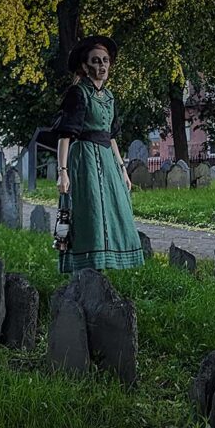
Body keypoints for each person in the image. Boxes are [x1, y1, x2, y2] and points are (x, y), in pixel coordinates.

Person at [54, 35, 144, 273]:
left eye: (105, 60)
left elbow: (111, 136)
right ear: (85, 66)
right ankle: (86, 268)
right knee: (89, 209)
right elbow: (65, 136)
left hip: (106, 158)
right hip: (83, 158)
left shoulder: (110, 97)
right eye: (96, 61)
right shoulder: (78, 93)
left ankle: (104, 265)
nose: (102, 65)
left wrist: (122, 168)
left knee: (116, 208)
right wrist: (62, 173)